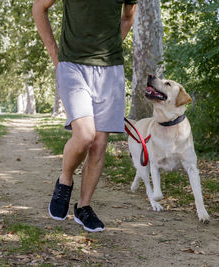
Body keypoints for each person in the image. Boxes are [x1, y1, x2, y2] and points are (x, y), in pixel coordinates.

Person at [32, 0, 137, 232]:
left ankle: (83, 207)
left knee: (99, 143)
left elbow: (128, 16)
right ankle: (65, 179)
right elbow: (39, 7)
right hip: (72, 65)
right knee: (84, 135)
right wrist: (54, 54)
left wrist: (109, 49)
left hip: (110, 69)